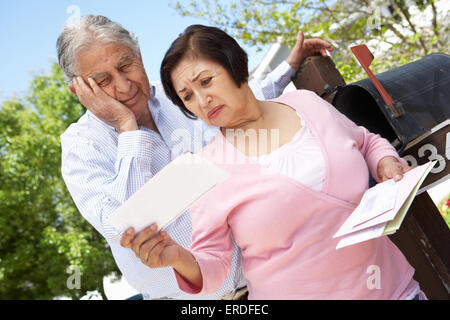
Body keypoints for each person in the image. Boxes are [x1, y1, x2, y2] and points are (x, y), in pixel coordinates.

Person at [122, 24, 427, 300]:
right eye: (187, 96)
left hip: (396, 290)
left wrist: (386, 161)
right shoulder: (206, 168)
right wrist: (176, 257)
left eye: (206, 81)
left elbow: (365, 141)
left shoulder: (305, 104)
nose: (202, 101)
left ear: (235, 66)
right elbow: (213, 263)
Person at [58, 14, 333, 299]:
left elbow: (240, 103)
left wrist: (289, 65)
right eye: (102, 81)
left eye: (126, 65)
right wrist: (127, 128)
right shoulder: (80, 147)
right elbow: (130, 226)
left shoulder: (180, 93)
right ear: (79, 91)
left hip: (272, 281)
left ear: (139, 54)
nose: (124, 86)